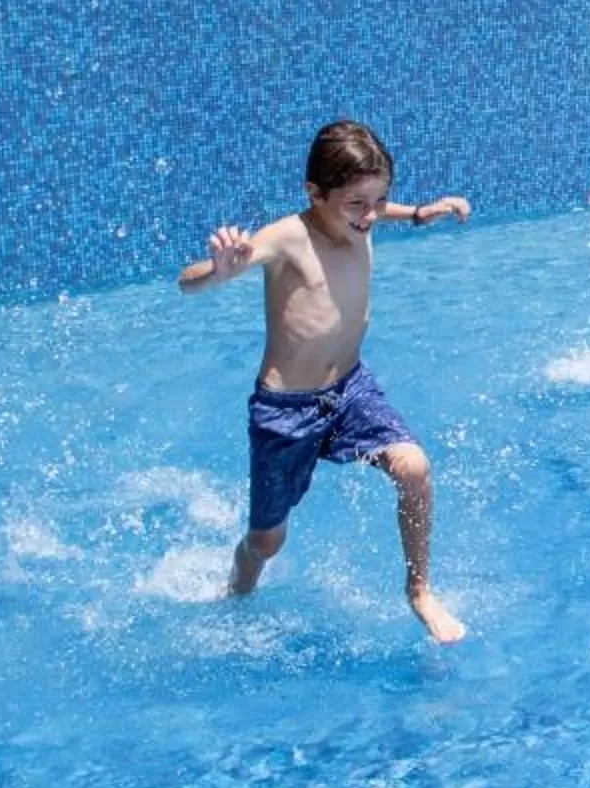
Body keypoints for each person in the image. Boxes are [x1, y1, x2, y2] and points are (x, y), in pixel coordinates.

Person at [179, 119, 472, 642]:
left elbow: (384, 211)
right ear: (315, 193)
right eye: (356, 204)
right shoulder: (289, 236)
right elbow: (188, 282)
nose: (369, 215)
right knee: (267, 542)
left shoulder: (366, 215)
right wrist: (220, 271)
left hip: (351, 389)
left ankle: (420, 591)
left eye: (378, 200)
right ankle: (235, 597)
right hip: (286, 410)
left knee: (414, 467)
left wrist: (420, 215)